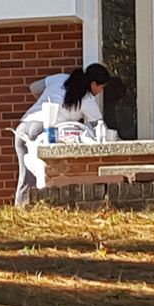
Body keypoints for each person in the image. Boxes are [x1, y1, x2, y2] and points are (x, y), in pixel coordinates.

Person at [13, 63, 111, 207]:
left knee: (25, 176)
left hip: (23, 126)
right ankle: (37, 209)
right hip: (42, 129)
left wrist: (44, 105)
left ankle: (19, 211)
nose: (101, 91)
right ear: (93, 84)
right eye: (101, 87)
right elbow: (100, 127)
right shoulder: (87, 100)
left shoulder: (60, 78)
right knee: (43, 177)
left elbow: (34, 87)